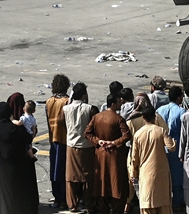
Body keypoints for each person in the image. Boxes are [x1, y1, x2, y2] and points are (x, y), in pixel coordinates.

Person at [0, 97, 39, 214]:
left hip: (1, 162)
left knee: (3, 189)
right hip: (15, 163)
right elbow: (27, 139)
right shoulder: (13, 127)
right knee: (15, 189)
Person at [87, 94, 132, 214]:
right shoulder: (118, 119)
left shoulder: (97, 117)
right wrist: (114, 143)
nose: (121, 103)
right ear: (113, 104)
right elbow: (127, 135)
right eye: (119, 102)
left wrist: (98, 141)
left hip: (100, 154)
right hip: (115, 155)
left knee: (102, 184)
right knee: (116, 183)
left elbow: (87, 133)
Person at [128, 107, 175, 214]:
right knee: (163, 204)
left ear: (143, 118)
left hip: (145, 174)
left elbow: (134, 158)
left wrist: (133, 174)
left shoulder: (138, 134)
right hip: (161, 173)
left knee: (147, 204)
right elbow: (171, 147)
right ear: (155, 117)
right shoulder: (161, 131)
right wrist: (173, 142)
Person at [62, 83, 97, 214]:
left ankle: (72, 204)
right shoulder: (90, 109)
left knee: (71, 177)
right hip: (87, 146)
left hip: (71, 146)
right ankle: (89, 204)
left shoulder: (65, 109)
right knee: (87, 177)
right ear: (84, 95)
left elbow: (61, 122)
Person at [156, 86, 187, 210]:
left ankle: (164, 201)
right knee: (177, 176)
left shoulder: (160, 110)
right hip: (177, 147)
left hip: (162, 147)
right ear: (179, 98)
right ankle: (177, 202)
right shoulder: (182, 112)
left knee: (163, 175)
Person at [45, 76, 70, 211]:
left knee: (54, 170)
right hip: (65, 139)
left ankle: (57, 197)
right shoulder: (67, 101)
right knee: (64, 170)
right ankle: (64, 198)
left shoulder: (49, 101)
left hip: (53, 138)